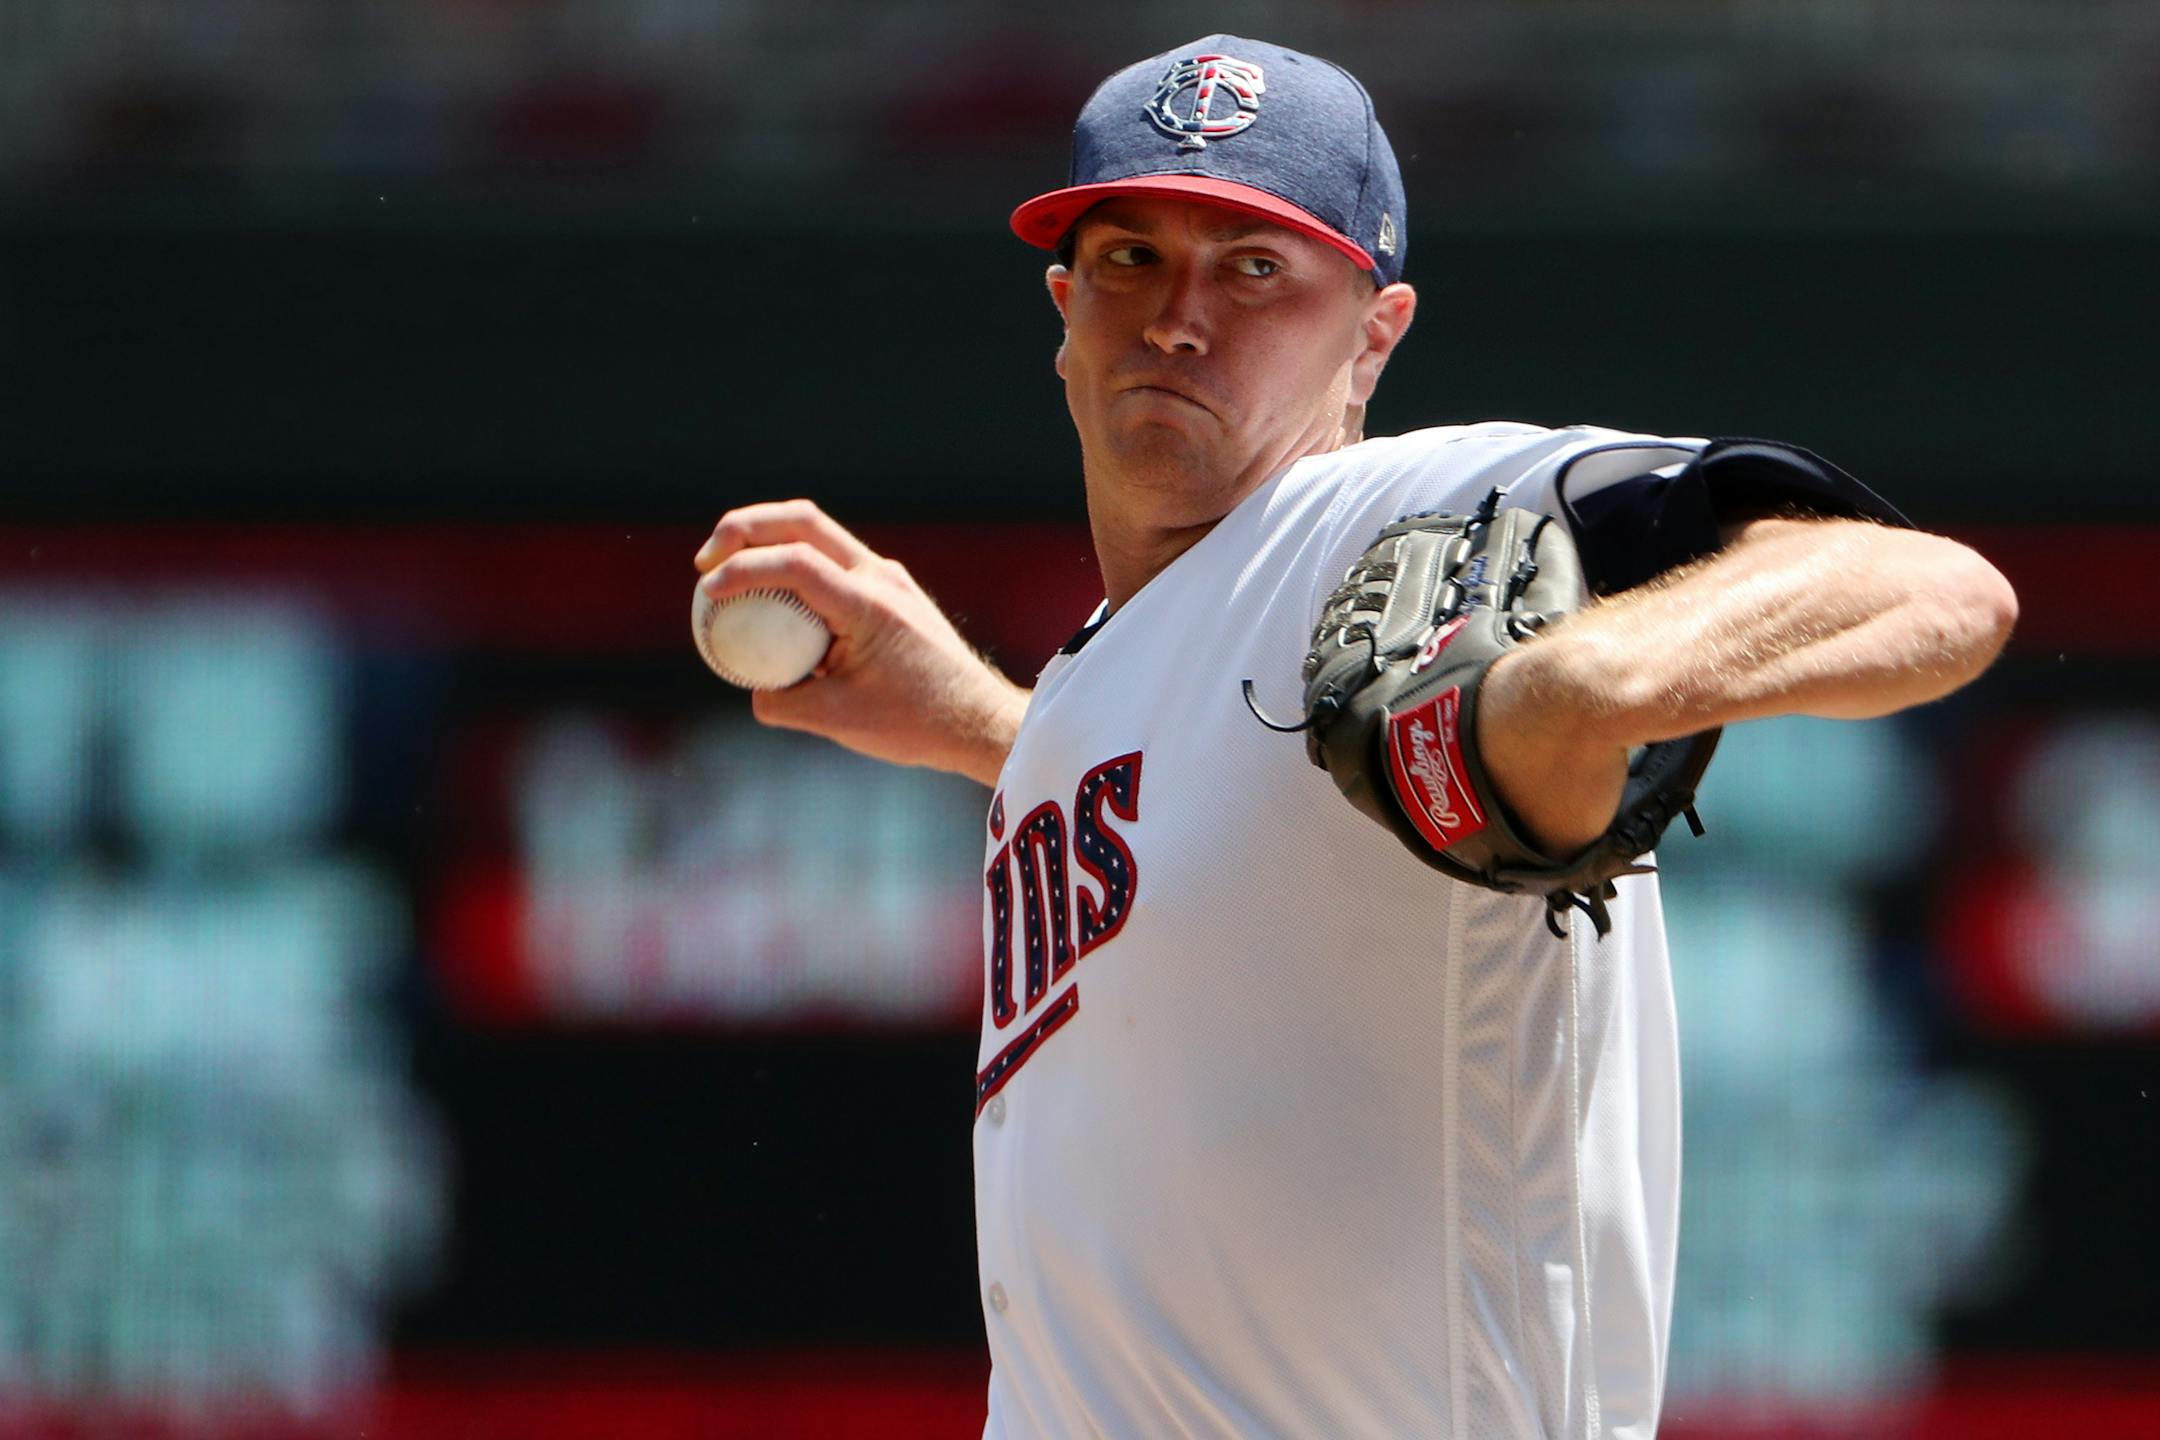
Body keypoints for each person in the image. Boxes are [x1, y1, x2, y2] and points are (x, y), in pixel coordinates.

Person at [692, 35, 2016, 1440]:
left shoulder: (1396, 512)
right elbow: (1230, 858)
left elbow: (1932, 589)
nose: (1180, 316)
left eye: (1257, 269)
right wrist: (988, 725)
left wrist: (1574, 686)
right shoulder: (1111, 674)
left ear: (1374, 333)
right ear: (1064, 309)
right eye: (1133, 257)